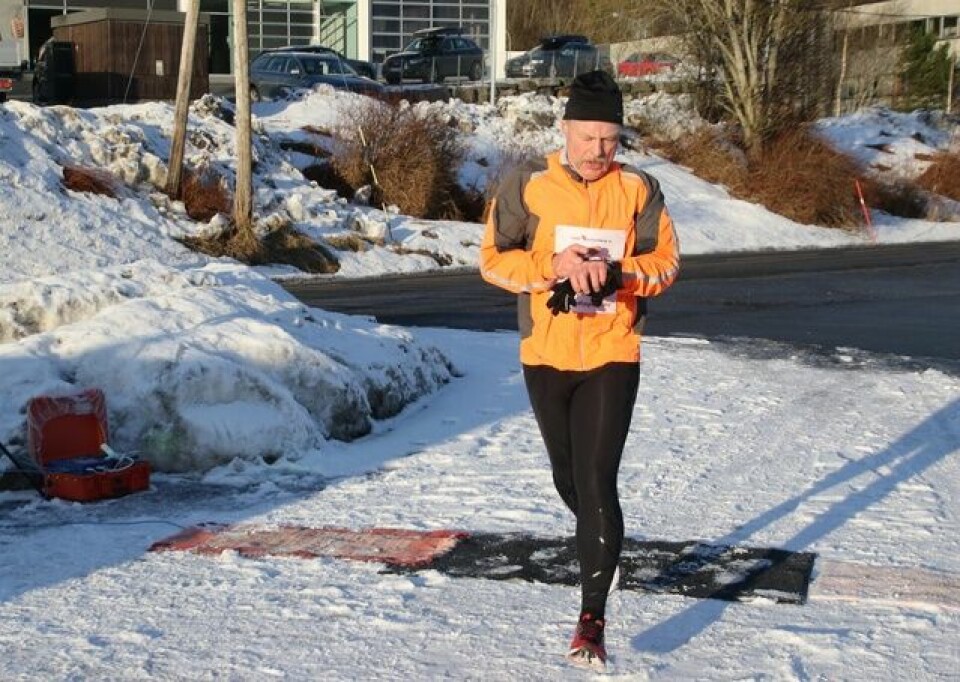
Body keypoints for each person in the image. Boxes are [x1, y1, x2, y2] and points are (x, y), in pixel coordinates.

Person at [479, 70, 680, 669]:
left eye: (610, 140)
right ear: (565, 129)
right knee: (568, 478)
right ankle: (602, 544)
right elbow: (492, 261)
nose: (599, 151)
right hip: (546, 353)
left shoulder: (639, 189)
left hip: (614, 351)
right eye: (589, 137)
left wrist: (618, 274)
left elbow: (667, 264)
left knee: (597, 479)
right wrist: (552, 266)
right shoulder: (527, 182)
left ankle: (592, 619)